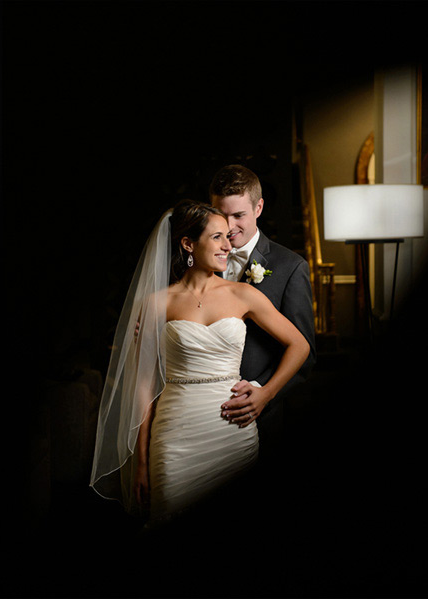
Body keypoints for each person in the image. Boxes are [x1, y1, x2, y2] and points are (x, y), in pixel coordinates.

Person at [90, 200, 309, 524]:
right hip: (175, 435)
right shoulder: (156, 303)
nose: (227, 244)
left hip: (233, 433)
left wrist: (267, 392)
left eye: (228, 236)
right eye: (217, 237)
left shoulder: (243, 295)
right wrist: (141, 462)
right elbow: (143, 385)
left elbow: (300, 344)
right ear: (188, 244)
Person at [209, 164, 316, 456]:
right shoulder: (197, 261)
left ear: (259, 207)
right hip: (200, 410)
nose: (229, 227)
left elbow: (305, 352)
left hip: (260, 416)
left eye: (239, 215)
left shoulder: (290, 267)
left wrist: (262, 393)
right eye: (221, 214)